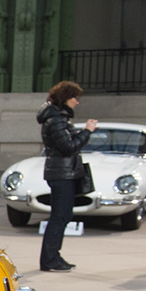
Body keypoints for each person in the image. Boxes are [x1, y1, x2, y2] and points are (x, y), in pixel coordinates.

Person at [37, 81, 97, 271]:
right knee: (59, 216)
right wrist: (87, 131)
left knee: (63, 216)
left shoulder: (58, 117)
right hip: (61, 173)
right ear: (65, 98)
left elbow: (66, 142)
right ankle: (50, 260)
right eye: (75, 98)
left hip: (63, 171)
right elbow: (67, 147)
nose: (77, 102)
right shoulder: (56, 119)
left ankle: (54, 256)